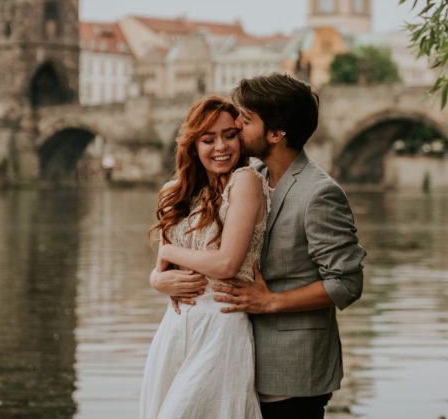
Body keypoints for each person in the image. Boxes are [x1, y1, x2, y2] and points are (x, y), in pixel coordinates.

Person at [152, 73, 366, 419]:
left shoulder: (319, 192)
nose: (237, 124)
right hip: (236, 353)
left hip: (292, 370)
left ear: (276, 134)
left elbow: (347, 283)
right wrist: (159, 279)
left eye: (246, 119)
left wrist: (271, 301)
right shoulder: (252, 177)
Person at [140, 95, 271, 419]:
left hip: (221, 324)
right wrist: (156, 281)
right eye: (208, 139)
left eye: (229, 135)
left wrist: (168, 251)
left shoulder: (246, 181)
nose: (221, 147)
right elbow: (161, 270)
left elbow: (227, 264)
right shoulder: (174, 192)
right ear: (193, 145)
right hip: (175, 326)